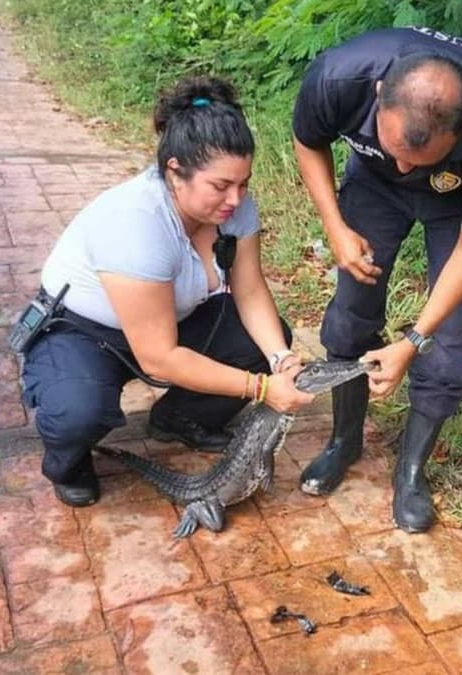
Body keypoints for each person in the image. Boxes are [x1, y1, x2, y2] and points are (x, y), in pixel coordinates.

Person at [20, 77, 313, 507]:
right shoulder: (137, 222)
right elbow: (158, 356)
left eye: (244, 183)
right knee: (76, 412)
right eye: (220, 186)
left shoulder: (234, 207)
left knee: (261, 338)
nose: (236, 198)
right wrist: (263, 389)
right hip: (85, 332)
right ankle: (70, 458)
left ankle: (178, 418)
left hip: (170, 320)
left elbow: (249, 291)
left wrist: (280, 360)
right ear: (175, 171)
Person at [291, 27, 462, 533]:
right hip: (371, 189)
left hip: (458, 204)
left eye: (418, 159)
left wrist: (413, 340)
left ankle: (411, 472)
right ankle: (344, 441)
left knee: (447, 343)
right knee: (351, 314)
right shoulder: (341, 75)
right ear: (379, 96)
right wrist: (336, 227)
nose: (404, 165)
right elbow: (308, 140)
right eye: (394, 145)